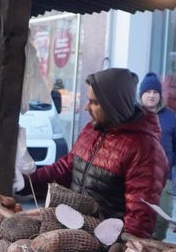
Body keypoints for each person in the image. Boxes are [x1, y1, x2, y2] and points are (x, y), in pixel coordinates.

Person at [24, 68, 167, 237]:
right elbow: (64, 169)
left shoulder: (145, 149)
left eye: (94, 102)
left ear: (113, 105)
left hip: (106, 246)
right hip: (74, 234)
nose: (86, 107)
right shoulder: (91, 130)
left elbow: (139, 221)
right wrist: (26, 182)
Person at [139, 72, 176, 240]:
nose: (152, 95)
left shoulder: (170, 116)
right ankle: (137, 249)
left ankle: (155, 244)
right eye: (148, 92)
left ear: (160, 95)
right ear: (141, 95)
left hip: (163, 177)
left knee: (163, 216)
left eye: (155, 92)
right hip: (138, 177)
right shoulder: (133, 115)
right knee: (139, 215)